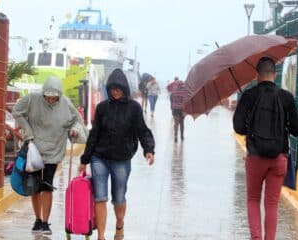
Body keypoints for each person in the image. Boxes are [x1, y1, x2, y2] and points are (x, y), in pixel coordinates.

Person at [78, 68, 155, 240]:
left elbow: (142, 130)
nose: (115, 91)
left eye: (118, 88)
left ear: (125, 89)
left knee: (119, 197)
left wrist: (148, 149)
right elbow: (94, 134)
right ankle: (101, 236)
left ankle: (119, 224)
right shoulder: (102, 108)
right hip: (100, 158)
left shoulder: (134, 108)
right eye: (112, 89)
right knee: (100, 197)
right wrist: (85, 159)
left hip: (121, 159)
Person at [233, 57, 298, 240]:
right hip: (279, 158)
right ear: (275, 75)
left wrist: (252, 126)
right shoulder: (286, 97)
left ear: (257, 75)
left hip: (255, 157)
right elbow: (297, 130)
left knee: (253, 199)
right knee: (271, 203)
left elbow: (238, 127)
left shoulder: (249, 95)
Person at [12, 76, 87, 235]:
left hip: (54, 150)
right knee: (34, 186)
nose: (51, 99)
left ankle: (45, 223)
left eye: (54, 97)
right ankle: (37, 219)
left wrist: (75, 131)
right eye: (48, 96)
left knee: (46, 185)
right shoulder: (32, 99)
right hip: (34, 149)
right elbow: (16, 111)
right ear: (43, 93)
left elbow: (77, 121)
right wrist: (27, 129)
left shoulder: (66, 103)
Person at [167, 76, 186, 142]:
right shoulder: (185, 92)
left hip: (175, 109)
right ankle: (182, 136)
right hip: (182, 109)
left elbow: (171, 100)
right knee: (182, 123)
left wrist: (172, 108)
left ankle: (175, 136)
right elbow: (186, 101)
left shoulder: (174, 92)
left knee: (176, 122)